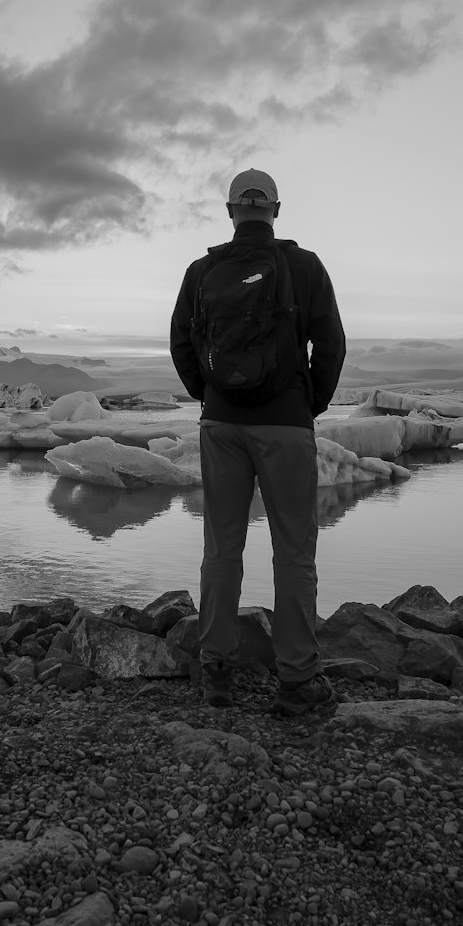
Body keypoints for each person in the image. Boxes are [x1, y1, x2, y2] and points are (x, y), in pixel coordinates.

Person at [170, 168, 346, 715]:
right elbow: (331, 345)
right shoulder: (304, 265)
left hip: (221, 425)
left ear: (230, 211)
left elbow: (180, 343)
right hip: (285, 425)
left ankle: (217, 674)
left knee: (221, 547)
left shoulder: (203, 270)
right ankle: (297, 680)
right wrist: (305, 403)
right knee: (293, 550)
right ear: (275, 209)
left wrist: (211, 395)